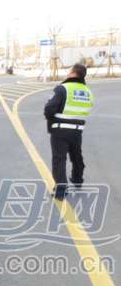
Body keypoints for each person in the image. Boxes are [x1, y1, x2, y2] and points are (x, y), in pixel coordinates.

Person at [44, 64, 94, 201]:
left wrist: (53, 120)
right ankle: (78, 178)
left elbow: (49, 109)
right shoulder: (88, 91)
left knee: (59, 159)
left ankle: (61, 190)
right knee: (76, 155)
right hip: (77, 131)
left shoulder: (62, 88)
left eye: (68, 70)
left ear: (73, 73)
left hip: (60, 130)